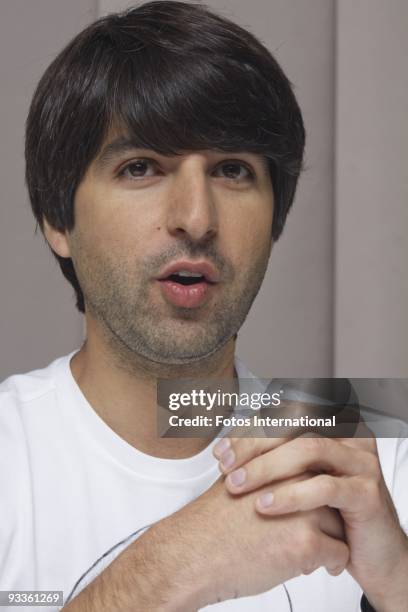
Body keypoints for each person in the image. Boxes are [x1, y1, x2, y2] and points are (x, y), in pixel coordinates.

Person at [1, 1, 407, 611]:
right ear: (58, 219)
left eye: (232, 170)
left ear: (275, 219)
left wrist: (399, 578)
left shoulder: (373, 468)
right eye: (142, 167)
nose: (196, 218)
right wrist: (170, 569)